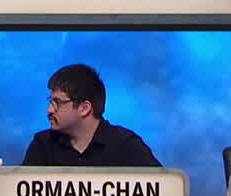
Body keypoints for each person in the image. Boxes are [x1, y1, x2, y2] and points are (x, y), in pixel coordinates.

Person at [22, 64, 161, 166]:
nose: (49, 110)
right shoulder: (42, 145)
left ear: (84, 108)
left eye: (57, 102)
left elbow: (162, 190)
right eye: (50, 101)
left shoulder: (126, 146)